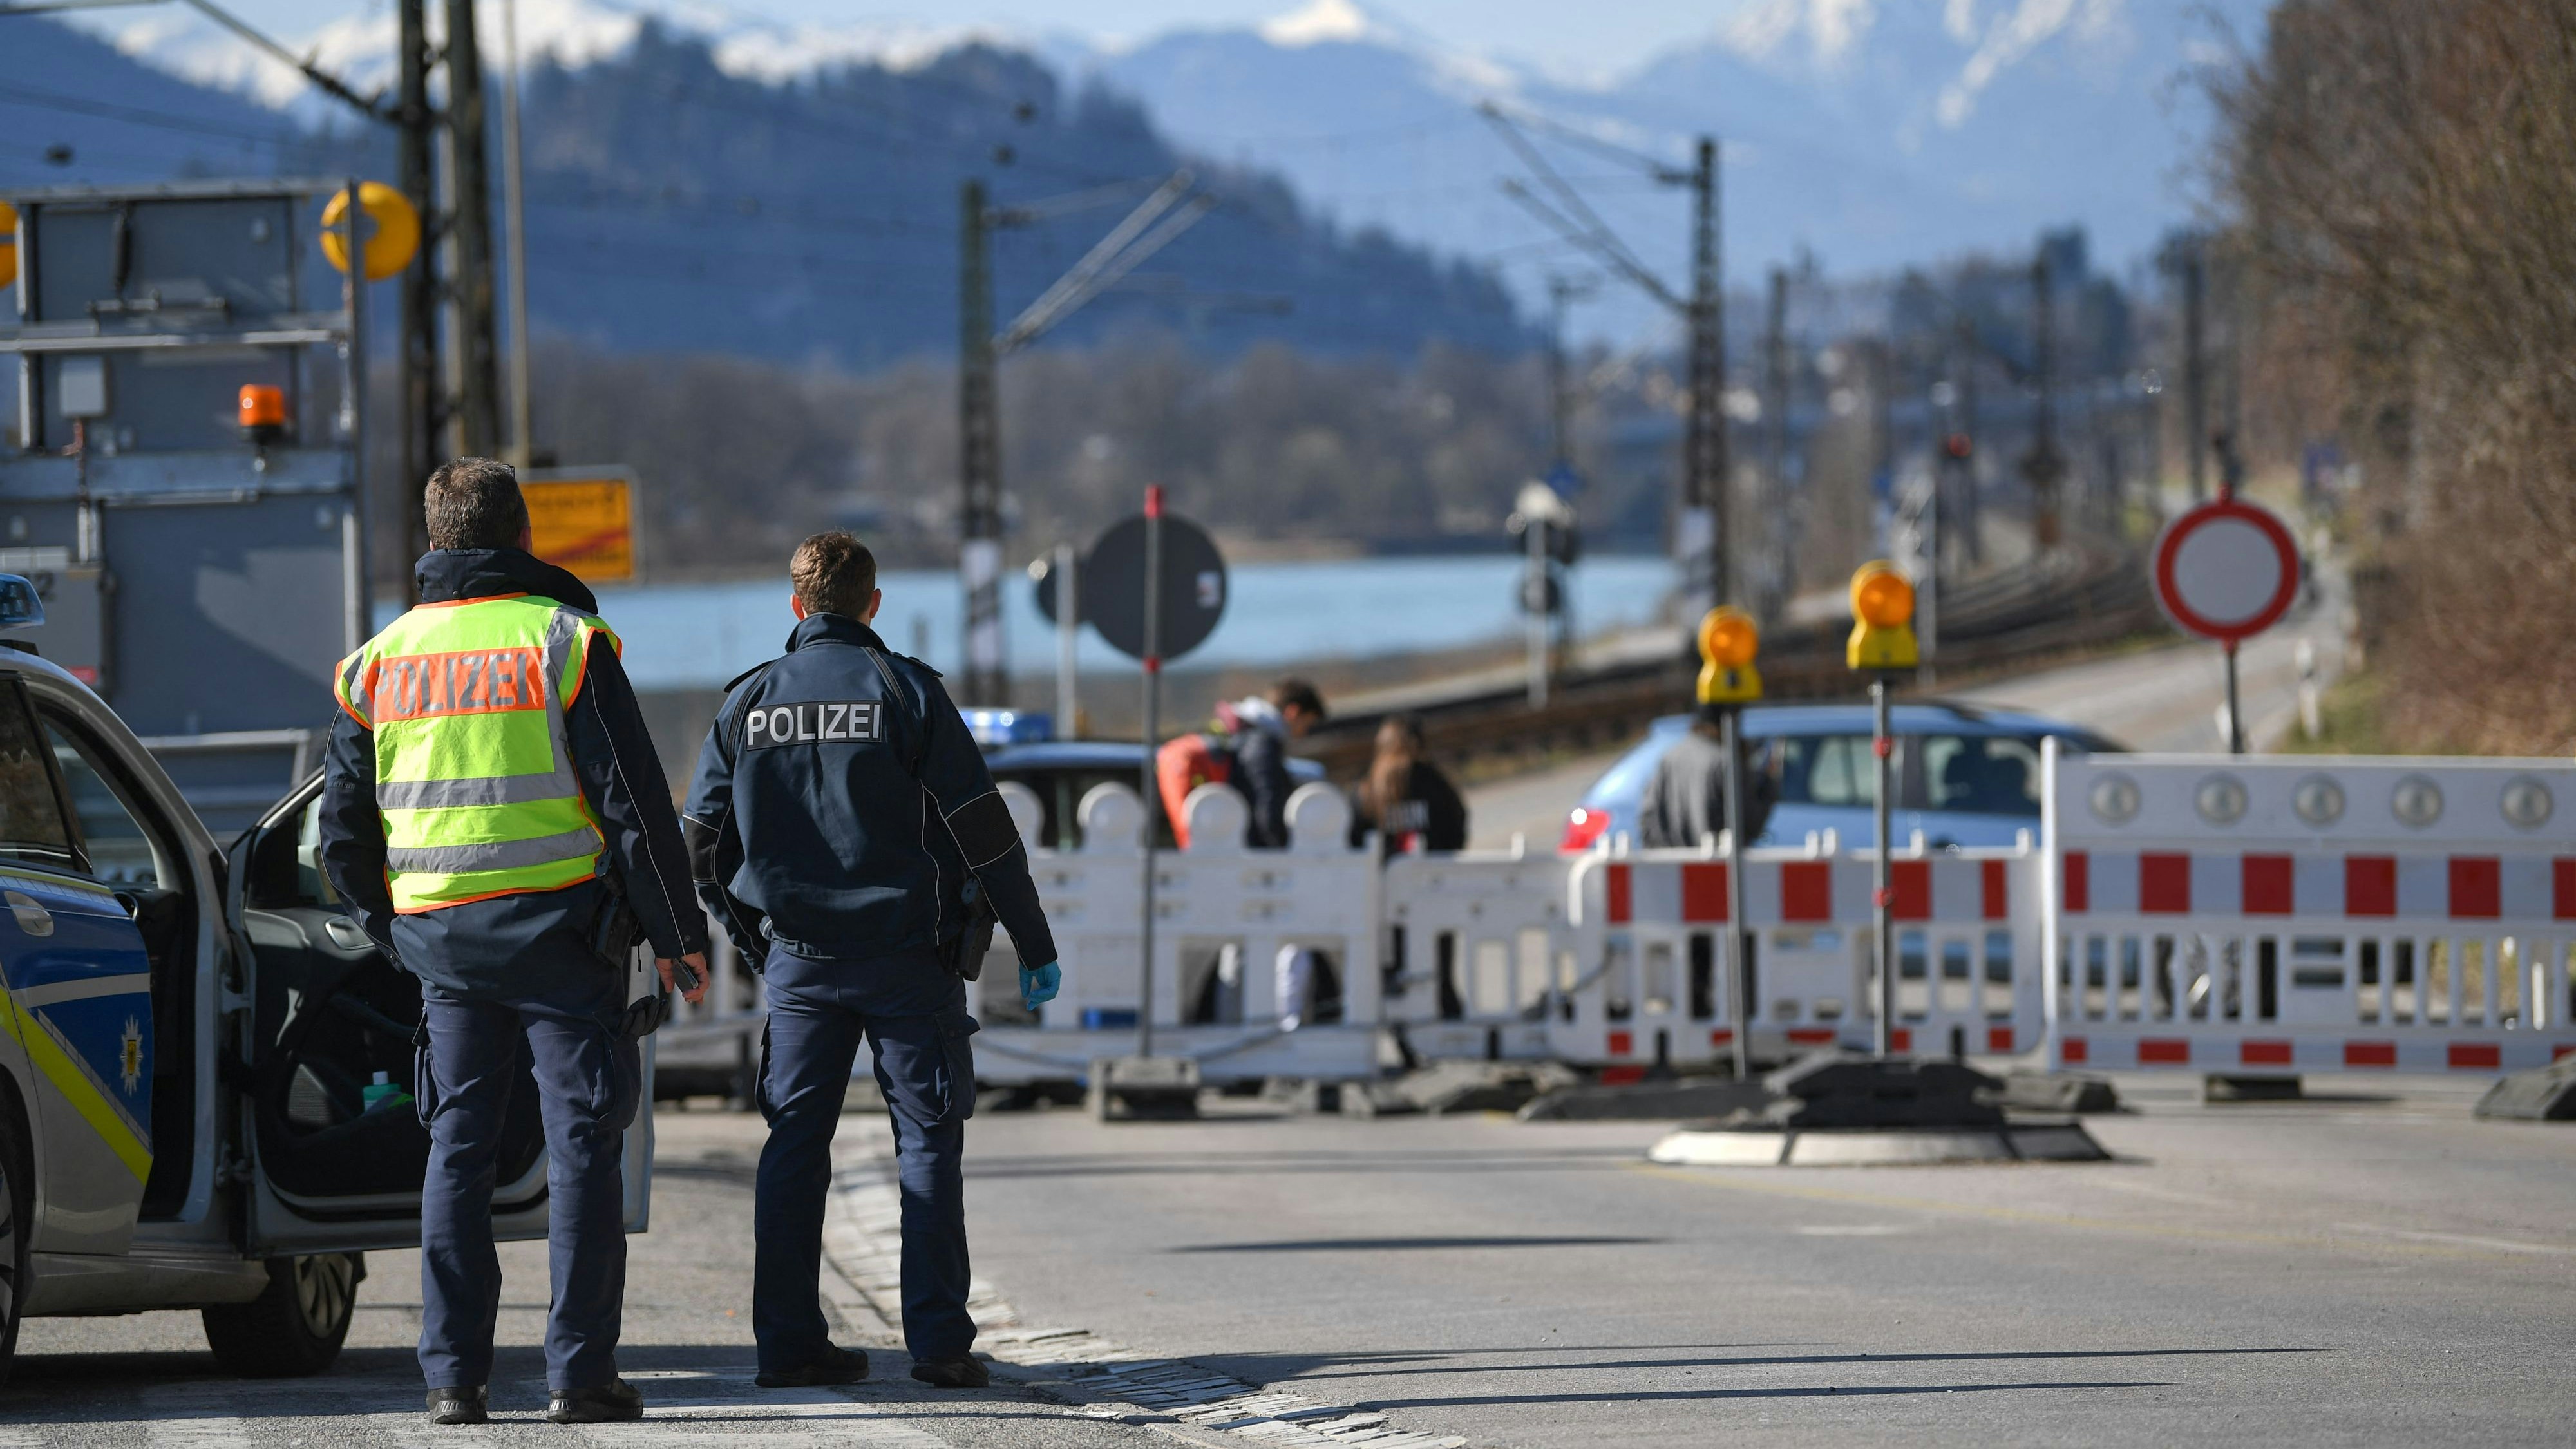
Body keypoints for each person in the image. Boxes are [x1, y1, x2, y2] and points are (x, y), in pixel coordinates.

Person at [319, 458, 708, 1428]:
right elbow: (634, 805)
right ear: (523, 537)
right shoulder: (564, 641)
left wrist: (397, 932)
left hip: (445, 947)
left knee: (457, 1146)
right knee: (582, 1143)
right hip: (560, 936)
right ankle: (581, 1374)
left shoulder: (376, 664)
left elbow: (339, 837)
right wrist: (678, 935)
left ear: (436, 539)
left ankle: (454, 1377)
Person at [683, 531, 1060, 1393]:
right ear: (873, 603)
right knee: (926, 1143)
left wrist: (753, 940)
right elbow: (985, 828)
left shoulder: (748, 703)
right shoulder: (908, 691)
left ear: (795, 606)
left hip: (800, 966)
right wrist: (1033, 945)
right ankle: (937, 1344)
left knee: (792, 1151)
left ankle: (786, 1343)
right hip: (907, 961)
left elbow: (698, 847)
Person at [1637, 705, 1779, 850]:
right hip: (1715, 866)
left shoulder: (1670, 757)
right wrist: (1769, 783)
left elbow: (1648, 815)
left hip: (1670, 865)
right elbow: (1748, 824)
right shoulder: (1724, 762)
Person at [1221, 676, 1326, 848]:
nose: (1304, 732)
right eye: (1306, 723)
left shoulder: (1249, 736)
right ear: (1293, 712)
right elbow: (1267, 804)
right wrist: (1280, 852)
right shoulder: (1263, 745)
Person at [1350, 714, 1467, 853]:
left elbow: (1354, 841)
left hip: (1381, 874)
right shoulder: (1434, 782)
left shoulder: (1365, 790)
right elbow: (1456, 827)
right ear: (1419, 745)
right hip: (1432, 871)